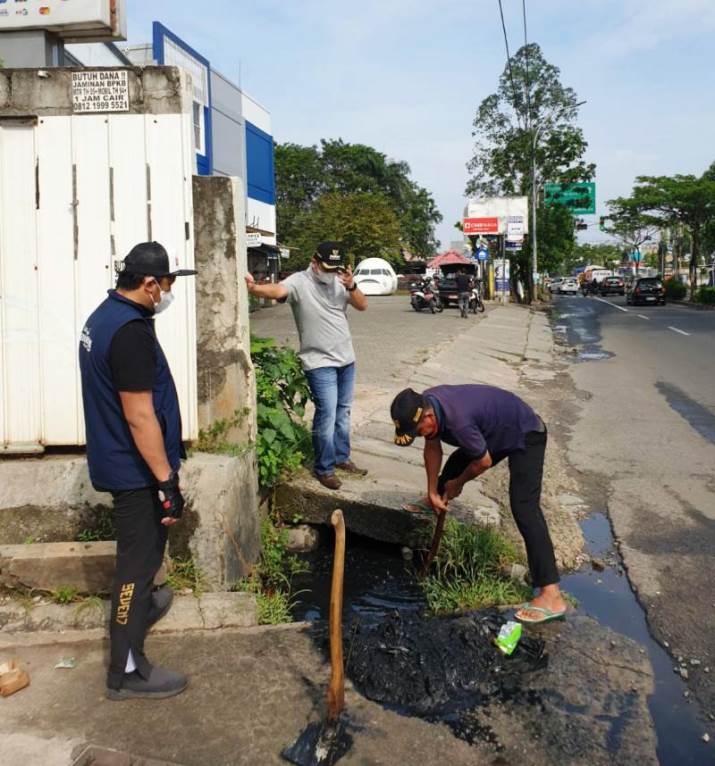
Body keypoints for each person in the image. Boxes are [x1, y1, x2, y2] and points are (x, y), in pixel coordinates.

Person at [79, 241, 196, 700]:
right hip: (135, 470)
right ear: (149, 284)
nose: (167, 293)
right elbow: (139, 415)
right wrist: (166, 481)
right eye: (166, 285)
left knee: (143, 558)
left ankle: (144, 604)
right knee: (137, 564)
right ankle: (126, 670)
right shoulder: (129, 332)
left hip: (119, 458)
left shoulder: (104, 315)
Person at [390, 384, 567, 624]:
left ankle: (551, 595)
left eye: (418, 431)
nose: (420, 435)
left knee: (525, 508)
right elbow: (432, 448)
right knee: (457, 460)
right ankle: (434, 501)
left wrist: (459, 483)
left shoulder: (458, 421)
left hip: (525, 432)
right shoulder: (427, 403)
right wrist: (432, 492)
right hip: (493, 428)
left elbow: (483, 461)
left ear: (428, 416)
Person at [245, 242, 368, 490]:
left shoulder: (340, 280)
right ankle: (324, 468)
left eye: (336, 268)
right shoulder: (299, 282)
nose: (331, 272)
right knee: (327, 413)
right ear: (314, 262)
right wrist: (254, 288)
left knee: (343, 412)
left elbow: (362, 305)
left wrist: (351, 285)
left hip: (346, 359)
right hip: (319, 362)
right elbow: (278, 291)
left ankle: (341, 457)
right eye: (327, 267)